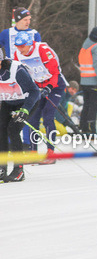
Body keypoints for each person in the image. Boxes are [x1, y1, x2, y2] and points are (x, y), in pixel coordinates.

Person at [12, 30, 65, 164]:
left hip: (55, 86)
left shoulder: (42, 49)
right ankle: (33, 152)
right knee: (33, 118)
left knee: (47, 116)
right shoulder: (17, 54)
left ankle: (50, 152)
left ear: (29, 44)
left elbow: (55, 73)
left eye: (22, 46)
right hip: (37, 88)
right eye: (17, 46)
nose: (20, 49)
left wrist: (49, 88)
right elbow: (20, 75)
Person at [0, 47, 41, 182]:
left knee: (13, 129)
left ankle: (19, 170)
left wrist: (25, 109)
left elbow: (35, 92)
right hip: (8, 102)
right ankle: (2, 167)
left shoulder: (15, 70)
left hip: (26, 102)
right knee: (1, 130)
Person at [77, 26, 97, 135]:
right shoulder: (96, 47)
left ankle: (84, 127)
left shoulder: (85, 46)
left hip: (84, 81)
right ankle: (91, 129)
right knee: (94, 106)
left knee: (87, 105)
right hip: (94, 81)